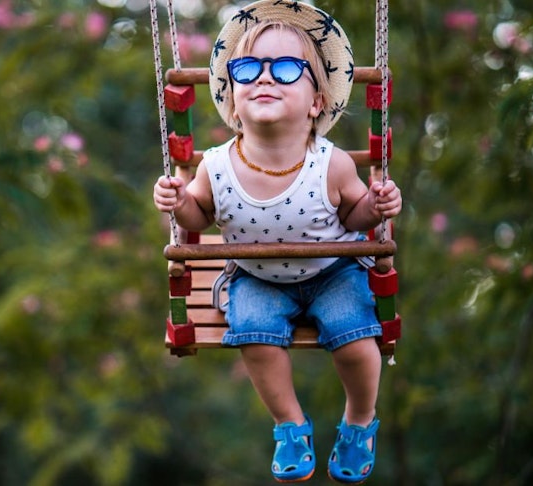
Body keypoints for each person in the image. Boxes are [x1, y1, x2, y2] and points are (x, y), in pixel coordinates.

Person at [152, 1, 402, 483]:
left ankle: (359, 419)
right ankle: (289, 425)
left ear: (316, 103)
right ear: (233, 98)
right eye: (248, 69)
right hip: (255, 276)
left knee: (355, 338)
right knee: (253, 335)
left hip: (332, 272)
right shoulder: (216, 166)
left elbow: (354, 215)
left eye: (285, 68)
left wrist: (377, 205)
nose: (264, 78)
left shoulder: (332, 164)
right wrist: (178, 201)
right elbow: (199, 216)